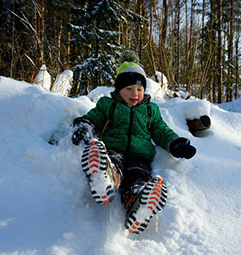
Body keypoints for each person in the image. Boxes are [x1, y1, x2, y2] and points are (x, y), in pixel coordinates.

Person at [72, 55, 196, 234]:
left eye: (139, 89)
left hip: (140, 156)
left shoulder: (150, 110)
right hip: (114, 149)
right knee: (113, 163)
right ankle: (105, 178)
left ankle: (137, 203)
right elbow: (95, 117)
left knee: (137, 178)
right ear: (118, 89)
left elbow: (161, 131)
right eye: (129, 88)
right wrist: (84, 126)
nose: (134, 93)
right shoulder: (108, 105)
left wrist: (176, 144)